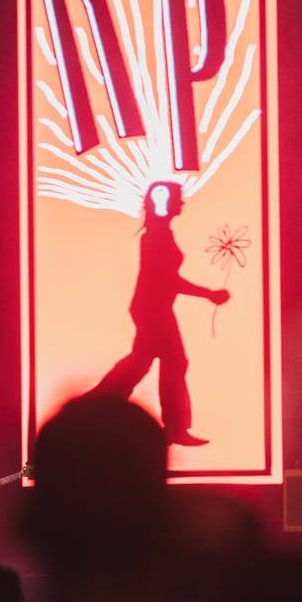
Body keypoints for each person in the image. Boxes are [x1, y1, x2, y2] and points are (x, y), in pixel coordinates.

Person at [89, 180, 229, 447]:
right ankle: (170, 427)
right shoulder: (156, 236)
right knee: (170, 362)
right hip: (151, 310)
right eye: (178, 198)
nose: (182, 203)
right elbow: (167, 280)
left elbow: (167, 280)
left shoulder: (160, 233)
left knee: (144, 363)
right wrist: (209, 293)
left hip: (154, 308)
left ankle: (97, 409)